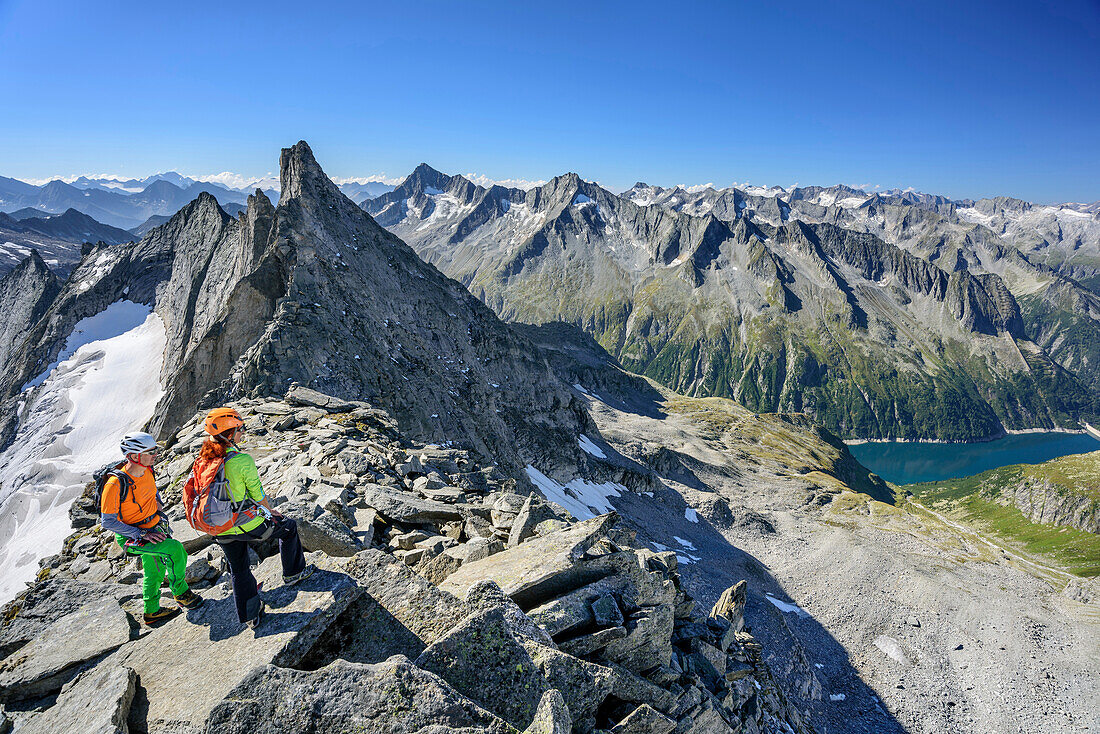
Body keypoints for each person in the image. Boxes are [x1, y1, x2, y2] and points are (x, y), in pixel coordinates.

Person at [195, 407, 315, 629]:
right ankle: (294, 573)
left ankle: (251, 616)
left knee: (239, 568)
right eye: (240, 428)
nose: (243, 432)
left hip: (218, 526)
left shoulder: (204, 460)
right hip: (245, 523)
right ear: (229, 433)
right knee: (288, 528)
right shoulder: (241, 461)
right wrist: (271, 512)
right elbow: (258, 496)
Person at [100, 431, 204, 626]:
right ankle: (180, 592)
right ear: (133, 456)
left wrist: (157, 503)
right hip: (133, 535)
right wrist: (141, 534)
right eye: (150, 452)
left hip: (152, 527)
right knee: (175, 550)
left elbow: (151, 491)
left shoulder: (147, 470)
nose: (155, 455)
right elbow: (108, 522)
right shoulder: (115, 484)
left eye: (154, 450)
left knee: (154, 570)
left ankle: (151, 612)